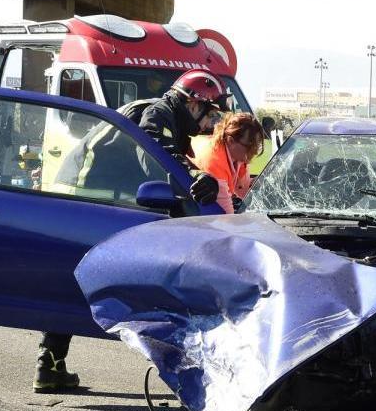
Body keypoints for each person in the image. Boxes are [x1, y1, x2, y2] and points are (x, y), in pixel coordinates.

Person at [34, 69, 230, 393]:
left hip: (94, 195)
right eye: (211, 114)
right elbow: (154, 153)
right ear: (195, 104)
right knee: (92, 278)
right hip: (88, 194)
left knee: (82, 278)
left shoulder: (166, 116)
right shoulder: (159, 112)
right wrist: (195, 179)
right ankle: (188, 374)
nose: (211, 124)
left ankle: (49, 363)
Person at [191, 112, 265, 213]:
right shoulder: (215, 163)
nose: (254, 151)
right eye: (250, 146)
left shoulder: (238, 155)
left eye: (256, 145)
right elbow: (227, 216)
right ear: (231, 140)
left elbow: (242, 189)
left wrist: (263, 182)